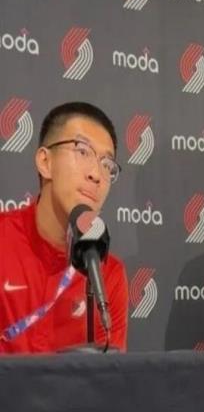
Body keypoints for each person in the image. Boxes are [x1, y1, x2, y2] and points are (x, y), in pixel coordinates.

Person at [0, 102, 128, 353]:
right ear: (45, 162)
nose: (96, 174)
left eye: (107, 164)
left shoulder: (108, 275)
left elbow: (109, 374)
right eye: (82, 151)